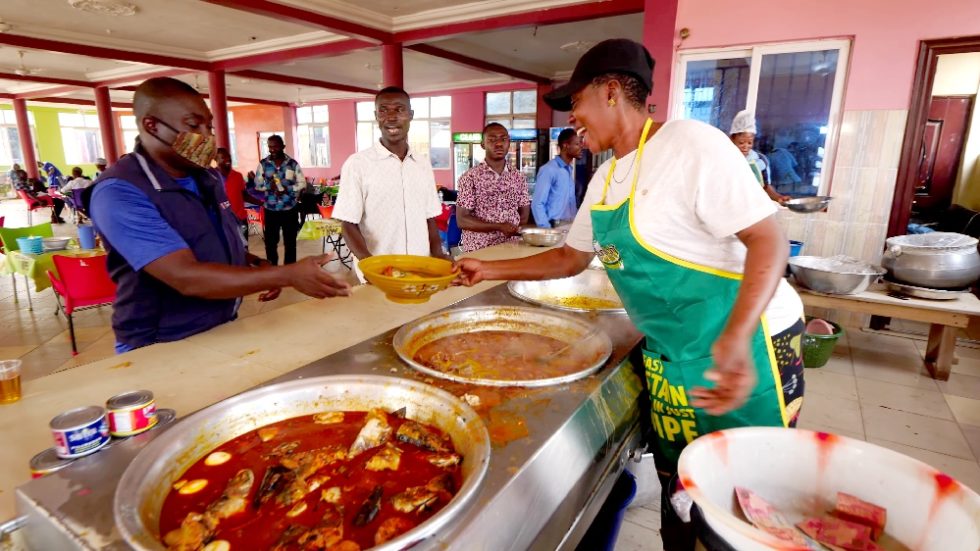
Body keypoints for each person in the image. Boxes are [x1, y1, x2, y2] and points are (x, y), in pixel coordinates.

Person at [453, 39, 805, 551]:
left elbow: (768, 239)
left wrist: (734, 337)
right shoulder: (604, 178)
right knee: (682, 495)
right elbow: (568, 259)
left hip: (751, 344)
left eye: (576, 102)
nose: (573, 117)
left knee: (750, 508)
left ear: (612, 92)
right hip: (675, 350)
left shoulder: (691, 145)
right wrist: (487, 268)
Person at [84, 77, 350, 353]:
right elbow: (185, 276)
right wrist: (284, 275)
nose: (208, 137)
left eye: (208, 125)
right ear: (152, 126)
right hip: (158, 342)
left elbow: (210, 239)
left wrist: (256, 264)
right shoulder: (120, 192)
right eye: (193, 125)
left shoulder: (206, 178)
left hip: (221, 324)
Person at [333, 86, 448, 279]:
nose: (391, 116)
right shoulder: (358, 164)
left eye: (399, 109)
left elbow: (429, 217)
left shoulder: (422, 163)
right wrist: (368, 264)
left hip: (421, 268)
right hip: (380, 273)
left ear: (410, 115)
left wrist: (438, 254)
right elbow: (347, 223)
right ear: (376, 116)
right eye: (384, 110)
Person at [455, 122, 531, 252]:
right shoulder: (470, 177)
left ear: (509, 143)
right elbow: (462, 220)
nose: (499, 144)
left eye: (503, 139)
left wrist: (513, 228)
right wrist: (499, 226)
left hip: (511, 248)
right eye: (492, 140)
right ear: (483, 144)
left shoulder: (518, 177)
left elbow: (524, 213)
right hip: (479, 250)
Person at [250, 135, 304, 265]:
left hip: (289, 209)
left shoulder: (292, 164)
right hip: (271, 209)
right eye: (270, 146)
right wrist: (269, 186)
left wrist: (288, 188)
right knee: (270, 244)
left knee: (290, 243)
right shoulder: (263, 164)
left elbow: (302, 183)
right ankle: (272, 269)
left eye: (275, 146)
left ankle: (289, 270)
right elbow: (257, 184)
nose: (272, 149)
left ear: (283, 146)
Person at [729, 110, 789, 203]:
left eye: (749, 143)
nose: (746, 146)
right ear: (732, 139)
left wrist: (778, 197)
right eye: (741, 143)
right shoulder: (724, 158)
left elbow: (766, 187)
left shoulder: (760, 160)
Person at [531, 128, 582, 228]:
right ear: (565, 145)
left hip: (570, 226)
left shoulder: (568, 170)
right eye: (577, 144)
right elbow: (537, 204)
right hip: (555, 227)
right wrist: (547, 229)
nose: (581, 147)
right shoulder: (549, 170)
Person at [214, 147, 258, 243]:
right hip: (223, 222)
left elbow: (244, 195)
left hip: (240, 219)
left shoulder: (238, 176)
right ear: (216, 160)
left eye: (228, 157)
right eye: (223, 158)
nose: (227, 159)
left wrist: (261, 203)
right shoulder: (212, 177)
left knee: (244, 248)